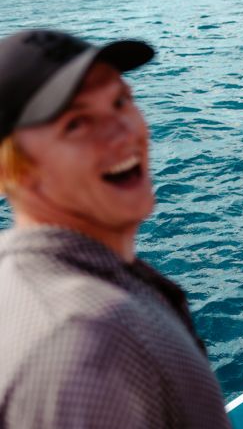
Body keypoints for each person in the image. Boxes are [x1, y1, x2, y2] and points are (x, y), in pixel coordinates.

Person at [0, 29, 230, 427]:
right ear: (11, 168)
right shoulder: (88, 340)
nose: (124, 133)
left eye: (121, 101)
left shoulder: (25, 279)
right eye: (76, 123)